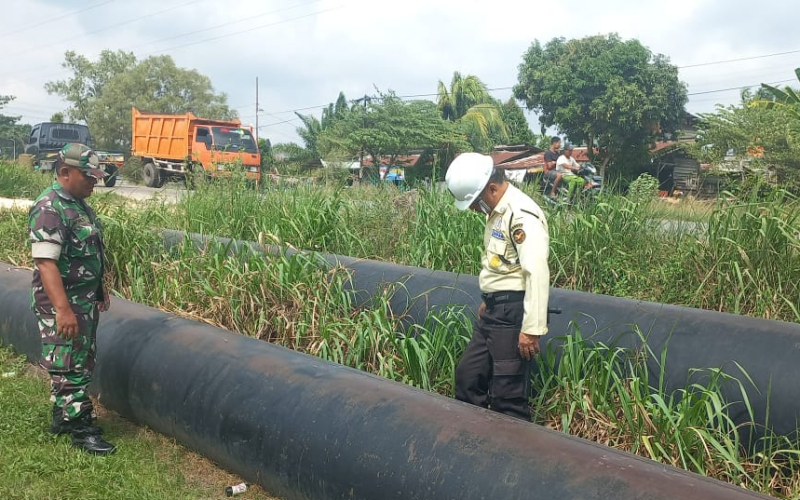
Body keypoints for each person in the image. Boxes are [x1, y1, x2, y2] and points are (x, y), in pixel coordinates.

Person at [445, 152, 550, 421]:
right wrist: (490, 297)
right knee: (468, 377)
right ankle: (476, 441)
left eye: (475, 202)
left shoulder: (521, 215)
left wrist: (532, 329)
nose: (473, 209)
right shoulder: (497, 211)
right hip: (494, 310)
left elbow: (536, 271)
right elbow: (501, 263)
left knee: (508, 394)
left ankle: (512, 455)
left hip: (512, 313)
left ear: (492, 188)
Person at [28, 143, 116, 455]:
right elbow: (46, 262)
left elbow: (87, 253)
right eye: (89, 176)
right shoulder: (50, 207)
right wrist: (63, 310)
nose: (95, 182)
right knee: (69, 364)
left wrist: (98, 294)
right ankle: (82, 429)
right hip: (63, 304)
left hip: (82, 301)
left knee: (78, 359)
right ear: (65, 172)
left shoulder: (77, 205)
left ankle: (62, 418)